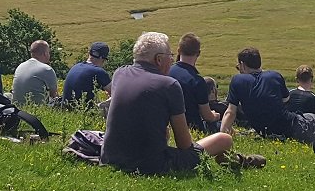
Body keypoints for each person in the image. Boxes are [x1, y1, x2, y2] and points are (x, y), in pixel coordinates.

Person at [100, 31, 234, 175]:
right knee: (224, 139)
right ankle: (234, 161)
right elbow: (184, 144)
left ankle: (235, 160)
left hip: (111, 157)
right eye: (169, 56)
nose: (171, 60)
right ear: (158, 59)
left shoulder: (120, 73)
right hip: (151, 164)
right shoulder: (169, 85)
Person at [219, 47, 315, 144]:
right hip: (292, 127)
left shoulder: (237, 80)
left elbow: (230, 112)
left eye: (238, 67)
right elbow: (286, 101)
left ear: (243, 65)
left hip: (267, 132)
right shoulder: (274, 76)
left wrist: (222, 135)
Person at [168, 33, 220, 133]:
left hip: (171, 125)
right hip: (192, 127)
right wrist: (215, 115)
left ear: (179, 50)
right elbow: (207, 116)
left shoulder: (167, 72)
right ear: (198, 53)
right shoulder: (197, 81)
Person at [11, 40, 57, 105]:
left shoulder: (20, 66)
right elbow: (54, 96)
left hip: (17, 108)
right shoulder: (46, 69)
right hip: (38, 108)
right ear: (45, 53)